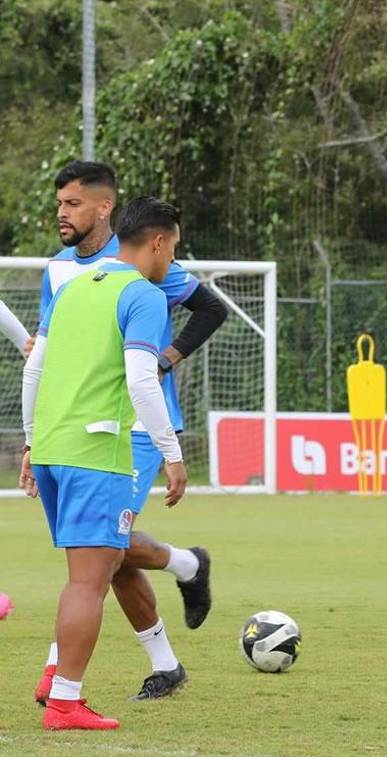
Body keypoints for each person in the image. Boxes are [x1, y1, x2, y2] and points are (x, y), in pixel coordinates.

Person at [32, 162, 226, 704]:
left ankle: (59, 676)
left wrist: (169, 357)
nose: (63, 214)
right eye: (60, 204)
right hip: (81, 428)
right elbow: (42, 355)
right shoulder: (60, 273)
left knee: (100, 551)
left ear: (104, 209)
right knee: (104, 549)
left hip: (140, 424)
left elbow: (210, 308)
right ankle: (185, 576)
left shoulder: (152, 267)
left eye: (73, 204)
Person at [20, 196, 189, 730]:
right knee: (89, 583)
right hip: (97, 454)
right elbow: (142, 379)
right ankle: (66, 701)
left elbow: (33, 372)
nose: (171, 259)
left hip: (51, 451)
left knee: (81, 578)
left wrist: (30, 444)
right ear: (158, 242)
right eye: (175, 247)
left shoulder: (70, 289)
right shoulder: (143, 294)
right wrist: (172, 454)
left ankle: (56, 680)